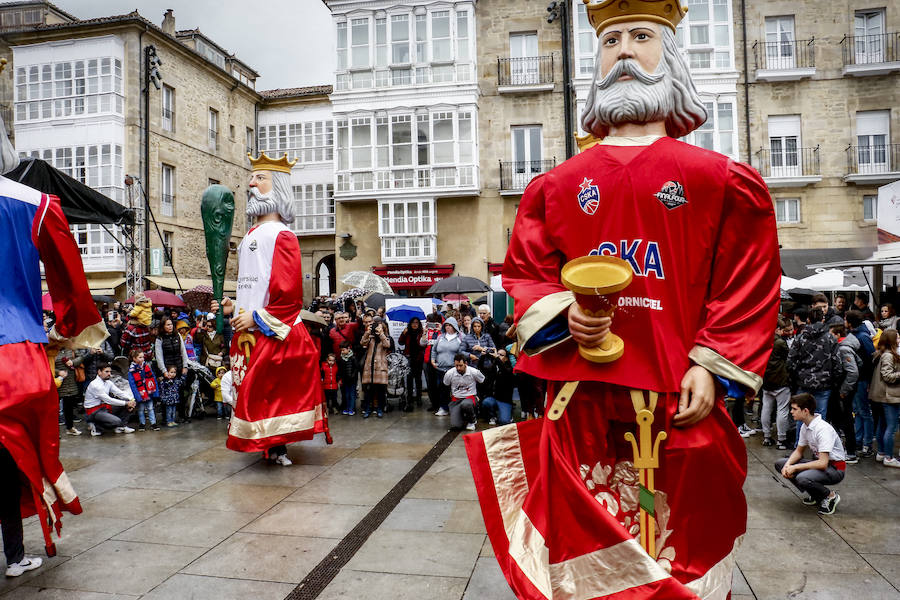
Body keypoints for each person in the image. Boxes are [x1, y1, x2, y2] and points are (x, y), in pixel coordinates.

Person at [464, 3, 781, 597]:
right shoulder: (555, 188)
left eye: (641, 36)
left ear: (671, 55)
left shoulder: (719, 180)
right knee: (585, 564)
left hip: (679, 400)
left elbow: (748, 278)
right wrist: (568, 313)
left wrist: (712, 360)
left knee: (679, 552)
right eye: (611, 40)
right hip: (582, 405)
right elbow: (527, 273)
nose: (625, 52)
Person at [0, 115, 109, 566]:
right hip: (16, 350)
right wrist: (65, 332)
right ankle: (16, 553)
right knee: (11, 463)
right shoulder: (34, 203)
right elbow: (70, 283)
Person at [216, 152, 327, 465]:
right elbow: (253, 288)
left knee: (266, 393)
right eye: (252, 178)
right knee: (250, 393)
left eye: (260, 178)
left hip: (270, 331)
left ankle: (277, 445)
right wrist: (233, 306)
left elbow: (288, 296)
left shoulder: (283, 235)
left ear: (278, 187)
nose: (251, 183)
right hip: (247, 330)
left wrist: (254, 317)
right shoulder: (250, 234)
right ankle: (266, 444)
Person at [776, 393, 846, 515]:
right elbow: (798, 451)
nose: (791, 412)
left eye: (794, 409)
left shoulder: (822, 429)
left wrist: (795, 467)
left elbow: (823, 463)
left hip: (835, 468)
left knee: (802, 478)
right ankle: (816, 494)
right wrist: (788, 465)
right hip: (822, 465)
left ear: (806, 411)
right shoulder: (805, 426)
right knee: (780, 464)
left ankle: (830, 496)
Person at [787, 308, 841, 420]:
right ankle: (818, 438)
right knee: (820, 417)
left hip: (803, 381)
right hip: (824, 383)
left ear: (808, 319)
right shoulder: (830, 338)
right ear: (823, 319)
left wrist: (795, 378)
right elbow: (837, 363)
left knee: (801, 416)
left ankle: (802, 438)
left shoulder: (800, 338)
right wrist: (834, 380)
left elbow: (790, 361)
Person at [867, 328, 900, 468]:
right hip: (889, 396)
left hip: (880, 396)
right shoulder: (888, 355)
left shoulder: (881, 354)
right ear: (891, 340)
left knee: (882, 425)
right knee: (891, 428)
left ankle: (881, 452)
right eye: (897, 338)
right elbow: (887, 376)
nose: (899, 340)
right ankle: (889, 456)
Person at [847, 310, 876, 456]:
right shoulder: (859, 335)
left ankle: (867, 443)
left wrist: (870, 380)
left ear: (850, 322)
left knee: (863, 412)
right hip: (858, 379)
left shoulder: (862, 336)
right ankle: (860, 441)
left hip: (862, 379)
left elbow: (872, 358)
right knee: (858, 411)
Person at [761, 319, 791, 449]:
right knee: (782, 410)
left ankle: (766, 437)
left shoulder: (762, 340)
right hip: (780, 381)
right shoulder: (779, 343)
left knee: (766, 409)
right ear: (777, 328)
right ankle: (781, 439)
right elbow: (788, 357)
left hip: (766, 380)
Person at [85, 363, 136, 436]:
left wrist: (131, 399)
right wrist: (126, 403)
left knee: (128, 402)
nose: (109, 374)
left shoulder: (108, 382)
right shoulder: (95, 385)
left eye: (110, 372)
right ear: (99, 372)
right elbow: (109, 400)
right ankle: (96, 426)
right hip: (94, 412)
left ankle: (121, 426)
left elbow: (119, 393)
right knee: (116, 421)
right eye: (106, 372)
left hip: (104, 408)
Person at [430, 317, 464, 417]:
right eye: (446, 325)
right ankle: (443, 407)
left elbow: (462, 352)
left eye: (450, 325)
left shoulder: (460, 337)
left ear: (454, 326)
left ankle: (455, 408)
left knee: (455, 390)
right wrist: (433, 360)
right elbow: (434, 350)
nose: (448, 327)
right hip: (440, 368)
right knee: (442, 389)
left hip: (453, 369)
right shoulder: (440, 337)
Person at [443, 354, 484, 431]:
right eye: (456, 365)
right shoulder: (449, 373)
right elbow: (446, 386)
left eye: (461, 365)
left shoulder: (474, 372)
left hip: (470, 398)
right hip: (456, 399)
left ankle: (472, 421)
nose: (458, 368)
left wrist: (478, 397)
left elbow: (482, 383)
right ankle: (461, 417)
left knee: (466, 404)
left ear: (466, 364)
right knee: (455, 426)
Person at [360, 317, 391, 418]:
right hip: (369, 367)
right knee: (369, 390)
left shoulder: (385, 337)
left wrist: (381, 334)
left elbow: (387, 345)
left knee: (380, 390)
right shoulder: (370, 338)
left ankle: (379, 409)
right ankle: (368, 409)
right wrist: (368, 332)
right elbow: (362, 342)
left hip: (380, 367)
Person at [54, 347, 85, 436]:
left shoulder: (71, 348)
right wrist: (58, 372)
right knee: (54, 408)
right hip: (57, 382)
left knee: (69, 407)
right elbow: (47, 364)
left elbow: (81, 357)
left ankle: (70, 427)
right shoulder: (52, 349)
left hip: (70, 382)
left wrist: (73, 362)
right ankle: (54, 431)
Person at [127, 350, 160, 431]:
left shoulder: (146, 367)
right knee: (141, 409)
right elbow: (132, 384)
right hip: (140, 392)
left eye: (143, 357)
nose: (142, 359)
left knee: (150, 408)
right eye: (140, 357)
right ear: (134, 358)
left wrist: (155, 391)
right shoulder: (132, 370)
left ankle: (153, 423)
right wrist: (137, 396)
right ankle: (142, 423)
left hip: (149, 391)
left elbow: (153, 378)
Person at [398, 317, 425, 408]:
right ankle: (409, 398)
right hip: (409, 358)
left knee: (418, 379)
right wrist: (403, 333)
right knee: (409, 379)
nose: (415, 324)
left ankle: (419, 398)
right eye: (413, 322)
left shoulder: (421, 332)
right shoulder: (407, 332)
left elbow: (424, 344)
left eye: (416, 322)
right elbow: (400, 342)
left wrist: (424, 334)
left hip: (418, 358)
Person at [119, 295, 154, 363]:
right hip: (147, 357)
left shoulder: (131, 329)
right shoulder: (147, 327)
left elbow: (124, 344)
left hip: (136, 358)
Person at [337, 341, 359, 415]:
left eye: (343, 350)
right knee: (346, 395)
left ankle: (351, 409)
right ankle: (347, 408)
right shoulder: (341, 359)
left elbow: (356, 368)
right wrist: (339, 378)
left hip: (352, 380)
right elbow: (340, 369)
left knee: (352, 394)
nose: (342, 352)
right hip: (345, 380)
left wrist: (353, 376)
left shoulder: (353, 357)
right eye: (341, 350)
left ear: (348, 348)